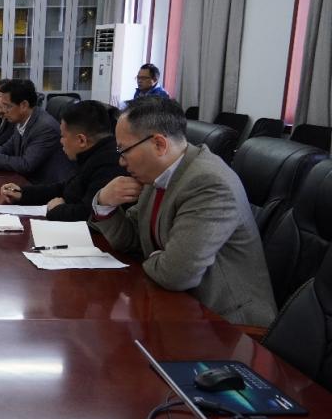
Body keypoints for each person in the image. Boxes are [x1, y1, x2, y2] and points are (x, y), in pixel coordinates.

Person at [91, 96, 276, 326]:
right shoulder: (160, 173)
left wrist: (158, 258)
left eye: (123, 150)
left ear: (159, 144)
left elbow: (177, 274)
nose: (121, 161)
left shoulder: (209, 183)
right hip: (177, 305)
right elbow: (133, 241)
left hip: (227, 324)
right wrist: (105, 203)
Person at [0, 100, 124, 221]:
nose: (61, 142)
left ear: (81, 140)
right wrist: (22, 193)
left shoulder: (109, 164)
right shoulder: (92, 153)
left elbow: (88, 214)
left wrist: (57, 209)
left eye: (63, 136)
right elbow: (65, 188)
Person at [0, 79, 74, 184]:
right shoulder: (22, 119)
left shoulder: (44, 127)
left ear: (23, 105)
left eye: (7, 106)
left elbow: (26, 164)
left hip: (43, 186)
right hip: (25, 181)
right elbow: (7, 148)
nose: (4, 110)